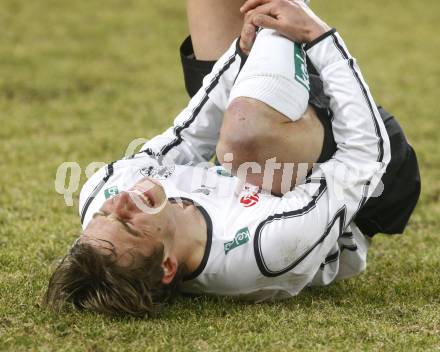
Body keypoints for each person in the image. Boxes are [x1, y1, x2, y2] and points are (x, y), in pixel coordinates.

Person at [44, 0, 420, 318]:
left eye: (104, 214)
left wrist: (240, 54)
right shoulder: (264, 247)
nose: (120, 202)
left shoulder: (104, 191)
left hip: (260, 123)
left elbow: (188, 134)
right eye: (128, 224)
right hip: (365, 179)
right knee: (243, 142)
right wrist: (317, 36)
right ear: (167, 266)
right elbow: (365, 159)